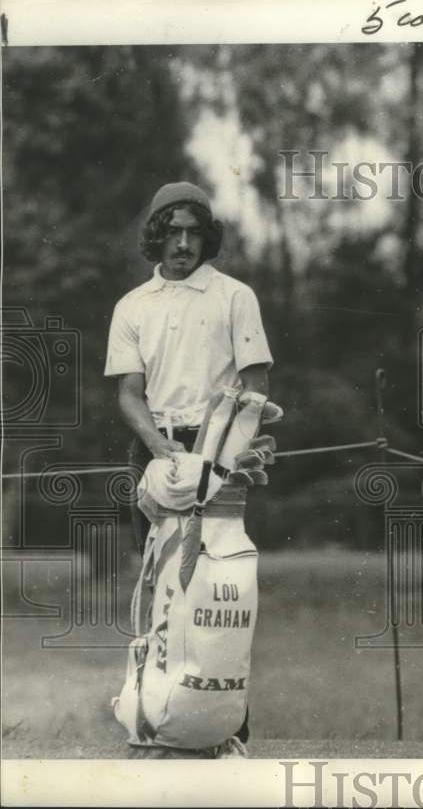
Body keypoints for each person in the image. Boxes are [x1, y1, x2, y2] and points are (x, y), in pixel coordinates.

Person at [105, 181, 274, 757]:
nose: (182, 244)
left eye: (193, 233)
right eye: (171, 233)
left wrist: (219, 458)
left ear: (207, 237)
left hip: (220, 460)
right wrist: (161, 450)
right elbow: (130, 395)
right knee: (157, 591)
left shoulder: (234, 297)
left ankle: (227, 731)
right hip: (154, 455)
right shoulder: (132, 306)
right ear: (155, 236)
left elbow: (255, 388)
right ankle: (158, 725)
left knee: (216, 590)